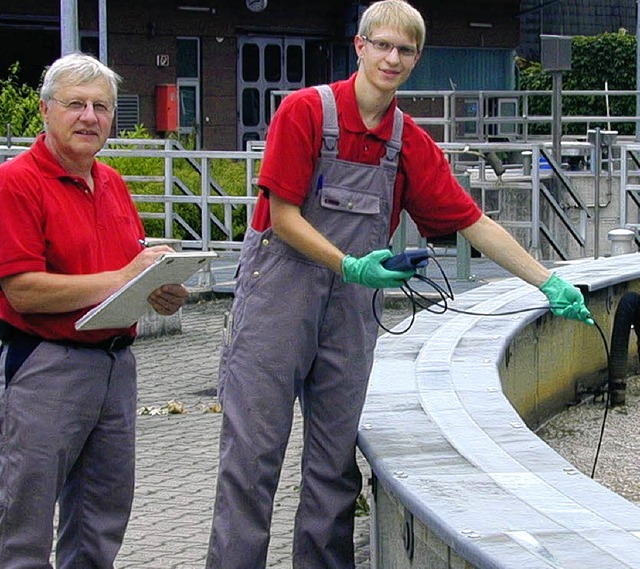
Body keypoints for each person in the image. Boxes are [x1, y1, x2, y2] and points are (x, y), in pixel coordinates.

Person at [207, 1, 592, 567]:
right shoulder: (305, 112)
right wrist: (351, 265)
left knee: (334, 462)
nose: (392, 58)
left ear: (415, 59)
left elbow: (471, 221)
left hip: (349, 312)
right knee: (252, 460)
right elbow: (283, 216)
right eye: (382, 45)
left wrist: (548, 282)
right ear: (359, 46)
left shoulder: (406, 140)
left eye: (405, 50)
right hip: (279, 298)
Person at [0, 53, 188, 567]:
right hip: (46, 364)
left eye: (101, 107)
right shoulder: (15, 183)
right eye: (75, 104)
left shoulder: (111, 182)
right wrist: (126, 277)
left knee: (101, 520)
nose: (89, 117)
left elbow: (122, 271)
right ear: (45, 110)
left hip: (115, 366)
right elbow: (22, 291)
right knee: (23, 521)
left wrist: (158, 288)